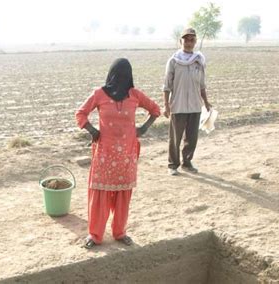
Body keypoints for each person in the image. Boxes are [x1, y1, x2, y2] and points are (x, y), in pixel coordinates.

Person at [75, 58, 160, 249]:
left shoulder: (135, 95)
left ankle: (120, 232)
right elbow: (81, 113)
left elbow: (155, 110)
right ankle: (95, 235)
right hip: (105, 153)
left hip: (127, 155)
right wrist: (93, 131)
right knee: (101, 192)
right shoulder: (99, 94)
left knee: (123, 193)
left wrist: (142, 129)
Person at [162, 27, 212, 176]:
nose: (189, 42)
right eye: (186, 39)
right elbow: (166, 86)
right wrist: (166, 105)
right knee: (175, 138)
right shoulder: (173, 61)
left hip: (195, 105)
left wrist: (206, 102)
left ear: (195, 42)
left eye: (192, 40)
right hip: (178, 105)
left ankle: (187, 163)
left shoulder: (199, 61)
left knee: (191, 138)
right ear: (180, 41)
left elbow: (202, 85)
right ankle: (173, 165)